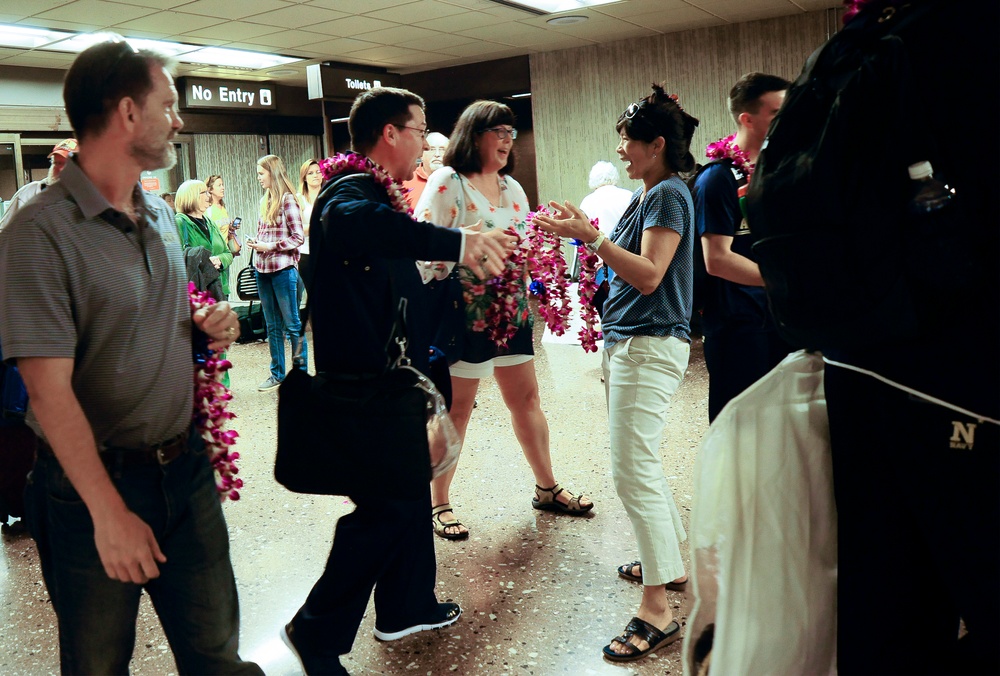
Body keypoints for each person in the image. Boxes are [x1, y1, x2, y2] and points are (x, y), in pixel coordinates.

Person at [0, 37, 259, 675]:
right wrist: (108, 513)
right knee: (96, 665)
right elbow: (48, 392)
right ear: (127, 113)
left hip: (186, 471)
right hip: (91, 490)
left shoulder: (160, 214)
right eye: (168, 105)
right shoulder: (38, 234)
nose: (179, 120)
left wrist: (200, 327)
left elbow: (143, 320)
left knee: (216, 654)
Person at [759, 1, 999, 672]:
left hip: (861, 363)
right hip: (961, 376)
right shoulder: (970, 37)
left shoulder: (868, 45)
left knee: (884, 606)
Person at [280, 86, 510, 676]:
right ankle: (316, 629)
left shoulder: (375, 193)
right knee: (387, 508)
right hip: (359, 387)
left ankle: (406, 606)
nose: (425, 142)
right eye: (418, 129)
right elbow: (360, 226)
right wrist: (461, 242)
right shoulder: (347, 194)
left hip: (388, 376)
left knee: (405, 498)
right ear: (390, 134)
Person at [534, 83, 699, 663]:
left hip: (650, 344)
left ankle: (658, 609)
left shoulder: (670, 196)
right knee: (641, 464)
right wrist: (582, 232)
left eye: (628, 141)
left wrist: (593, 238)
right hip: (634, 342)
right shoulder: (652, 191)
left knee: (632, 471)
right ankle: (669, 567)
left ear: (656, 144)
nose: (622, 151)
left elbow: (650, 275)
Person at [414, 100, 594, 541]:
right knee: (457, 408)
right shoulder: (447, 182)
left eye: (512, 134)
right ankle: (437, 502)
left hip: (509, 307)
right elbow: (418, 252)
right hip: (463, 311)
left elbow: (522, 246)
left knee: (527, 398)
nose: (508, 142)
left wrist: (538, 256)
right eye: (501, 133)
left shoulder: (512, 188)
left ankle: (546, 487)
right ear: (475, 135)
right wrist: (464, 245)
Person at [691, 72, 793, 422]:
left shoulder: (773, 171)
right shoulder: (717, 178)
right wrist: (782, 279)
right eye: (777, 113)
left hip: (778, 318)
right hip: (738, 327)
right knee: (741, 426)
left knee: (780, 424)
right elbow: (717, 260)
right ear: (747, 119)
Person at [248, 154, 307, 392]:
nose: (259, 178)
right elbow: (266, 234)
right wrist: (257, 242)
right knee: (272, 326)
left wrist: (270, 246)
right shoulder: (266, 200)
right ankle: (277, 374)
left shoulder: (287, 200)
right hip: (262, 270)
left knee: (292, 325)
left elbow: (298, 238)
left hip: (283, 270)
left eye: (261, 173)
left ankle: (301, 376)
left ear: (272, 173)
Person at [175, 178, 238, 387]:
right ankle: (205, 387)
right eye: (204, 192)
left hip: (220, 287)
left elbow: (228, 252)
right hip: (198, 292)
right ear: (191, 196)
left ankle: (222, 385)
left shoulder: (210, 222)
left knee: (221, 338)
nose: (208, 196)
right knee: (203, 341)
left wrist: (220, 259)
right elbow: (177, 256)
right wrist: (202, 258)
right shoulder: (180, 222)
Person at [579, 160, 634, 317]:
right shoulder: (628, 196)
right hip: (626, 260)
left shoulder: (587, 201)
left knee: (604, 306)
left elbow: (581, 239)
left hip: (598, 264)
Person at [0, 138, 77, 230]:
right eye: (57, 163)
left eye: (67, 164)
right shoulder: (30, 193)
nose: (60, 169)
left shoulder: (87, 199)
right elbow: (4, 231)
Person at [580, 160, 633, 235]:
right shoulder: (629, 196)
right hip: (625, 245)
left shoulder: (587, 202)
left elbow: (581, 233)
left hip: (597, 245)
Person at [296, 158, 322, 300]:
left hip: (328, 251)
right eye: (311, 173)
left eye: (318, 172)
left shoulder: (329, 195)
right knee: (314, 297)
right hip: (307, 253)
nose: (315, 175)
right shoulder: (299, 198)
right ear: (304, 177)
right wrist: (320, 225)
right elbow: (298, 229)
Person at [402, 131, 448, 207]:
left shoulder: (456, 182)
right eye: (432, 149)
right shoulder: (406, 182)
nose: (437, 154)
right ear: (421, 154)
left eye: (442, 149)